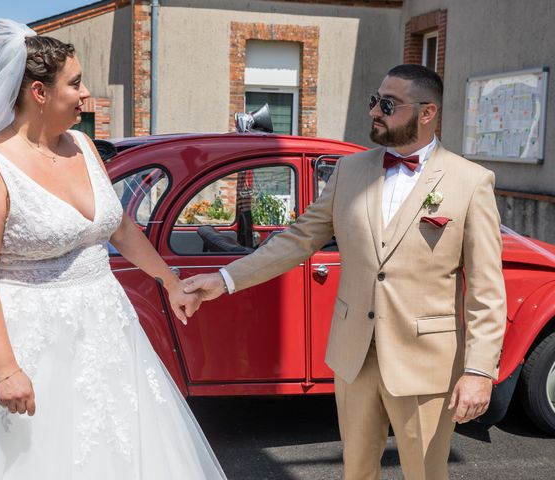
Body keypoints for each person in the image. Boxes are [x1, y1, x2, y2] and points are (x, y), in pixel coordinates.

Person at [0, 19, 225, 479]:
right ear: (38, 92)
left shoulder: (82, 145)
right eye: (75, 84)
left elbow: (119, 227)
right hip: (32, 341)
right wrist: (4, 369)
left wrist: (169, 281)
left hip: (107, 330)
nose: (86, 95)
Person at [184, 64, 506, 479]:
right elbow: (296, 239)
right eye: (375, 100)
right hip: (353, 355)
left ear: (427, 113)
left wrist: (479, 372)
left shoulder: (471, 182)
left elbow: (485, 290)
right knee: (356, 471)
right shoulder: (350, 171)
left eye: (388, 105)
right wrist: (224, 279)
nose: (375, 111)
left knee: (425, 473)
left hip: (427, 363)